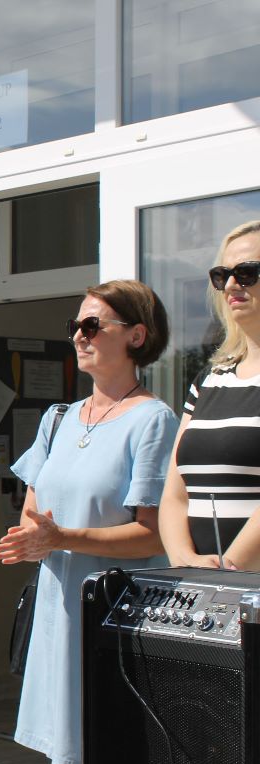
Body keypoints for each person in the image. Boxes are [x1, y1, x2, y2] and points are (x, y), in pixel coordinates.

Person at [0, 280, 178, 764]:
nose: (79, 335)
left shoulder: (153, 420)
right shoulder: (59, 419)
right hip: (59, 612)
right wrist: (31, 540)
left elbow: (151, 535)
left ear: (137, 335)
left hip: (113, 618)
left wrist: (62, 537)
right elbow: (33, 516)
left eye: (93, 325)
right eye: (75, 325)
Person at [161, 220, 260, 569]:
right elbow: (174, 495)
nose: (231, 284)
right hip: (205, 589)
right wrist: (183, 560)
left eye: (246, 272)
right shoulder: (208, 381)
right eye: (222, 275)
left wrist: (227, 571)